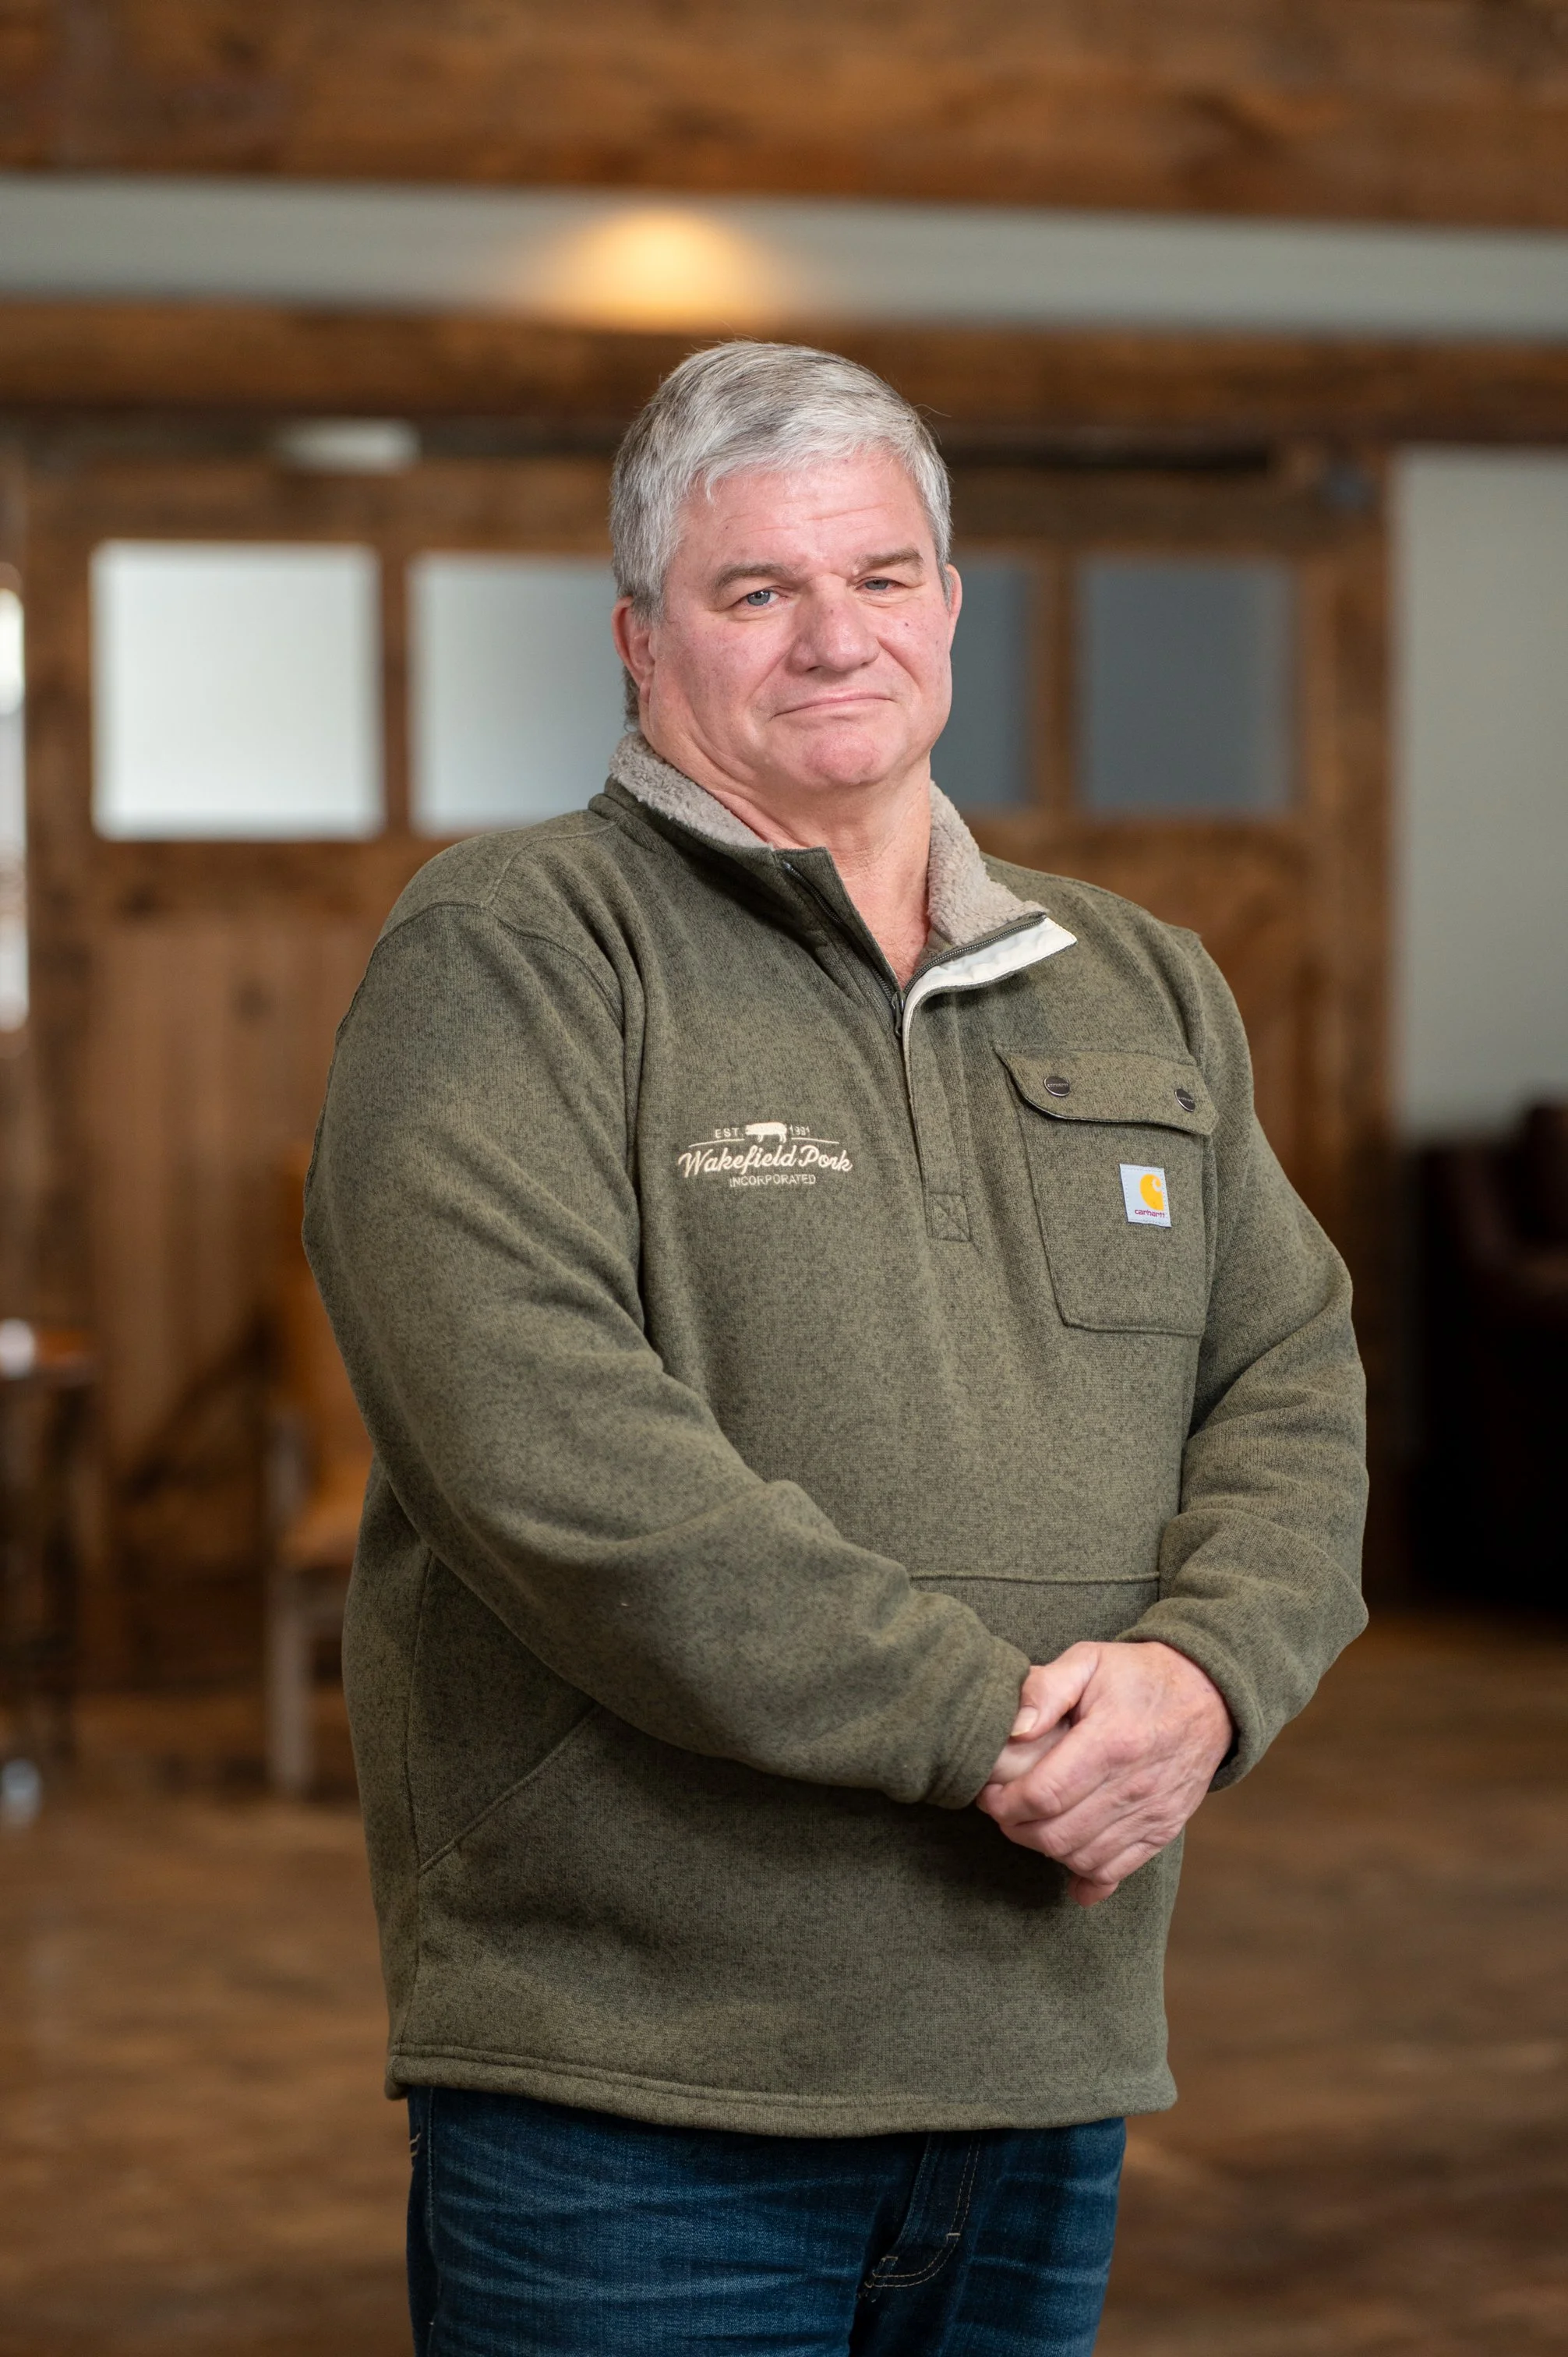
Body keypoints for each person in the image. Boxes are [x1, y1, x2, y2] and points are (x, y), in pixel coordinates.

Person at [305, 341, 1368, 2355]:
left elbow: (1288, 1381)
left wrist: (1212, 1678)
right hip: (639, 2094)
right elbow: (551, 1470)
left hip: (1041, 2052)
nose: (832, 640)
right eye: (753, 591)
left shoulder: (1141, 986)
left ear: (950, 609)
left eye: (880, 578)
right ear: (639, 640)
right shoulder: (512, 954)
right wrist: (988, 1726)